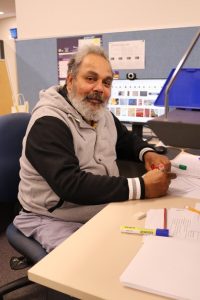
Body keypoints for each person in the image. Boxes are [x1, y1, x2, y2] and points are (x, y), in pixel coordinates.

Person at [14, 44, 175, 252]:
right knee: (91, 264)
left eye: (106, 82)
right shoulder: (48, 122)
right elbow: (70, 184)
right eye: (90, 78)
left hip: (92, 205)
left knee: (141, 246)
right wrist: (141, 187)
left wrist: (148, 153)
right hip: (51, 215)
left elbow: (126, 139)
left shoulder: (100, 113)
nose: (100, 88)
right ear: (70, 81)